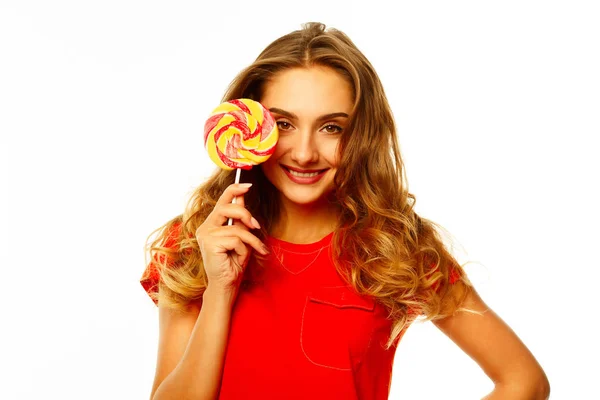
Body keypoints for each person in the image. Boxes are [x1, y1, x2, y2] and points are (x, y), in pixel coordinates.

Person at [140, 22, 550, 400]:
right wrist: (219, 291)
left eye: (331, 127)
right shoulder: (195, 242)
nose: (303, 153)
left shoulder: (395, 248)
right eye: (283, 124)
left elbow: (523, 380)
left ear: (361, 136)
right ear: (250, 125)